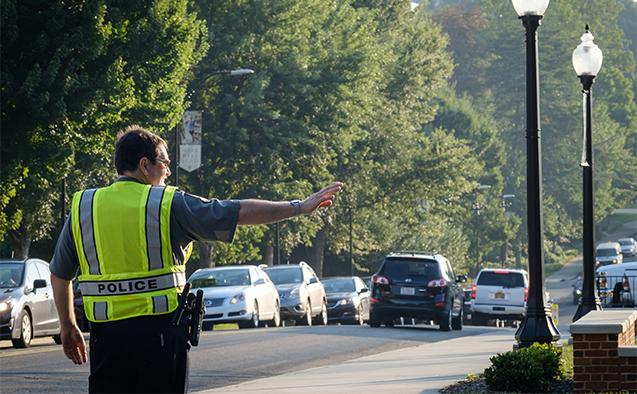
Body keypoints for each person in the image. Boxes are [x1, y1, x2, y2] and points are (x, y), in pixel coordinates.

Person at [50, 125, 342, 393]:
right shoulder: (166, 203)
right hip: (159, 337)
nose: (168, 171)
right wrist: (297, 207)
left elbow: (60, 273)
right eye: (164, 163)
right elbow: (236, 211)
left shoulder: (84, 207)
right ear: (144, 165)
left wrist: (67, 326)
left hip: (106, 339)